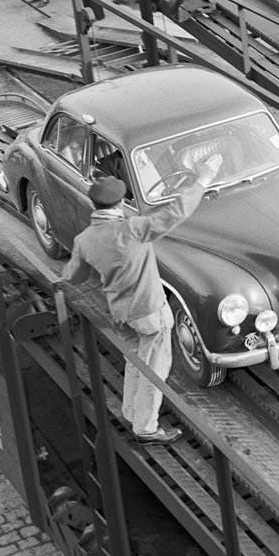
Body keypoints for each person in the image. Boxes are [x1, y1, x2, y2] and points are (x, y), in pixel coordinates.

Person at [62, 155, 224, 445]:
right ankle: (146, 428)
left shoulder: (84, 240)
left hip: (120, 314)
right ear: (120, 202)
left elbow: (73, 276)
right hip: (149, 311)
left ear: (96, 205)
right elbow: (176, 212)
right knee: (154, 369)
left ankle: (130, 411)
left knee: (136, 362)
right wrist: (202, 180)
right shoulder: (133, 229)